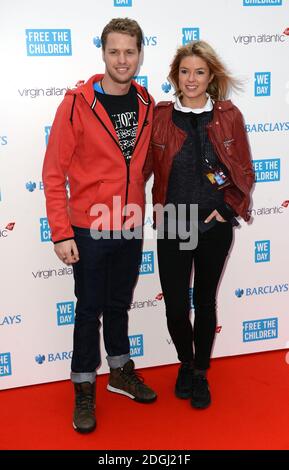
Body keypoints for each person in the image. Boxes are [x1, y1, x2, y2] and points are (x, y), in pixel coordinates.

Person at [42, 17, 157, 434]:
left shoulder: (146, 103)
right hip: (88, 226)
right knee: (89, 308)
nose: (122, 60)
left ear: (140, 54)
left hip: (127, 221)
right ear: (103, 53)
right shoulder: (75, 103)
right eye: (114, 51)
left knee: (119, 303)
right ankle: (84, 384)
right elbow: (54, 173)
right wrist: (61, 232)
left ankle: (121, 371)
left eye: (130, 51)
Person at [144, 40, 254, 409]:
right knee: (176, 306)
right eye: (185, 71)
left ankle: (200, 372)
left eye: (199, 72)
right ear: (175, 75)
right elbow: (138, 170)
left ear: (211, 77)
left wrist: (228, 208)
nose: (191, 79)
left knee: (205, 302)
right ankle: (185, 363)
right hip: (174, 224)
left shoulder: (229, 116)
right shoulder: (159, 117)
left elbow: (244, 169)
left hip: (213, 227)